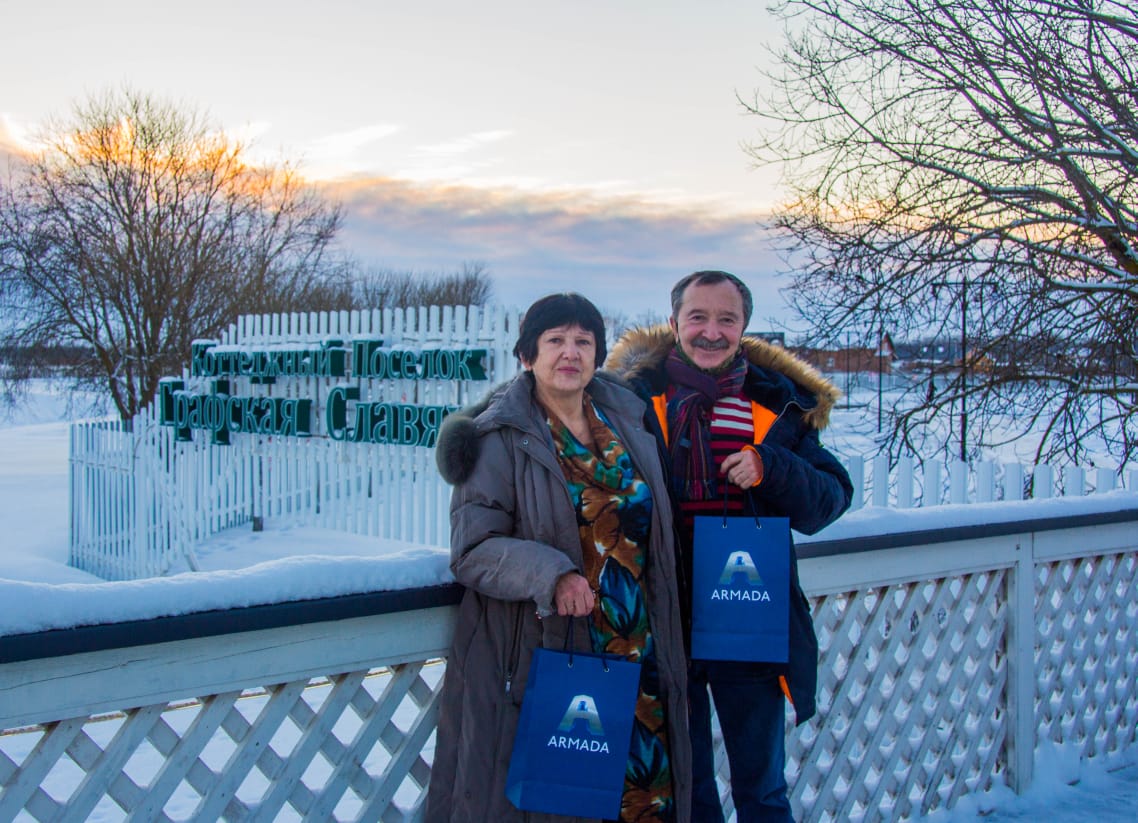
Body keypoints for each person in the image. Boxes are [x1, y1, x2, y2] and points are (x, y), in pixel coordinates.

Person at [425, 292, 692, 823]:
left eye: (583, 341)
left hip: (640, 652)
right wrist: (553, 574)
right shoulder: (497, 436)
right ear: (528, 354)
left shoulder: (629, 422)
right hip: (557, 651)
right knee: (567, 803)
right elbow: (473, 549)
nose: (570, 353)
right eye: (555, 340)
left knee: (644, 798)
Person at [605, 271, 853, 822]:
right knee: (688, 791)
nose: (711, 332)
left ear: (743, 328)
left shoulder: (777, 405)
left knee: (762, 790)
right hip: (667, 621)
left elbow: (831, 498)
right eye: (698, 317)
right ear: (674, 323)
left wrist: (771, 467)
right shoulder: (634, 403)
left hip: (747, 617)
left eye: (726, 319)